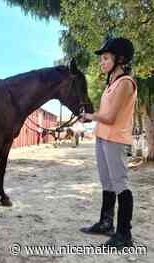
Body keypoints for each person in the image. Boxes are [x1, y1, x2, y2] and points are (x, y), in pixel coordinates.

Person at [80, 37, 137, 248]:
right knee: (107, 183)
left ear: (120, 59)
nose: (101, 62)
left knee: (120, 184)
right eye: (101, 59)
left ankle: (124, 234)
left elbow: (111, 117)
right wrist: (92, 117)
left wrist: (90, 116)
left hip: (115, 139)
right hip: (102, 137)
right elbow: (105, 113)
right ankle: (106, 223)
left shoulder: (125, 83)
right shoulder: (111, 84)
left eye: (105, 58)